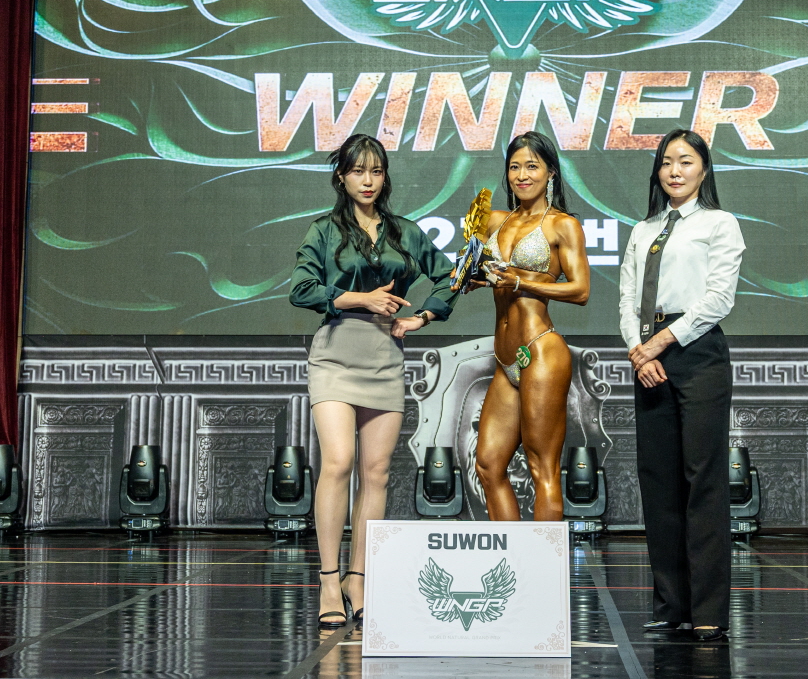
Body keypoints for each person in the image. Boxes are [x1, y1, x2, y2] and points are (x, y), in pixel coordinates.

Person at [289, 133, 456, 629]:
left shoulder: (405, 232)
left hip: (385, 356)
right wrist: (361, 298)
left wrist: (422, 317)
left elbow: (451, 276)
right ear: (341, 176)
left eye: (376, 171)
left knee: (377, 472)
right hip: (336, 356)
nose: (368, 180)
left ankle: (357, 579)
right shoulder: (323, 230)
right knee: (338, 462)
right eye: (358, 171)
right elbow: (301, 289)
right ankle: (328, 580)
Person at [618, 128, 745, 644]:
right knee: (659, 481)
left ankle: (708, 609)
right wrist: (638, 349)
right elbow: (627, 299)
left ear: (704, 169)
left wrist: (660, 343)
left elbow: (719, 298)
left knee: (702, 480)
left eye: (686, 161)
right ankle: (671, 605)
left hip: (697, 352)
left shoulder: (719, 223)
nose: (675, 170)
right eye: (667, 161)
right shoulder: (642, 229)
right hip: (648, 356)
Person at [472, 131, 591, 521]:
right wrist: (470, 276)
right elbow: (471, 267)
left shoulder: (562, 225)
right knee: (488, 465)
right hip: (505, 359)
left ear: (550, 172)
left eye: (532, 166)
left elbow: (580, 290)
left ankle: (544, 561)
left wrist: (521, 282)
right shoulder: (493, 220)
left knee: (542, 469)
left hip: (540, 351)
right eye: (514, 167)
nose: (522, 175)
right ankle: (512, 554)